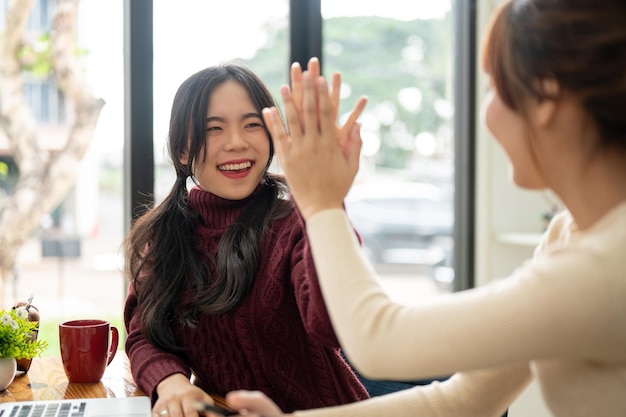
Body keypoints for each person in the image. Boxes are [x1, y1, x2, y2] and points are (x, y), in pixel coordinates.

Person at [225, 0, 626, 416]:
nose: (486, 112)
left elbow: (377, 340)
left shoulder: (610, 262)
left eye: (492, 87)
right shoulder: (567, 235)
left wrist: (321, 203)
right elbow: (465, 401)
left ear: (545, 94)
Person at [122, 61, 371, 417]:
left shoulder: (297, 223)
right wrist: (171, 380)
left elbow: (335, 324)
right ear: (181, 151)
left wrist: (324, 205)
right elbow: (144, 334)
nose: (236, 143)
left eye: (252, 124)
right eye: (213, 129)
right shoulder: (165, 236)